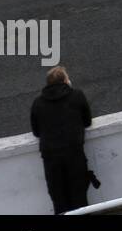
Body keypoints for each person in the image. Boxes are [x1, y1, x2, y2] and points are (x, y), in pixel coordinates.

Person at [30, 66, 93, 214]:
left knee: (59, 200)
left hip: (51, 159)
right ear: (65, 81)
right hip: (74, 155)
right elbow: (87, 121)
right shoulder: (77, 96)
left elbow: (36, 131)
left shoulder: (38, 103)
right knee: (80, 199)